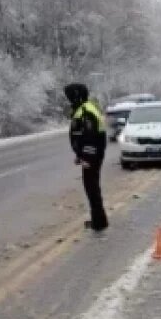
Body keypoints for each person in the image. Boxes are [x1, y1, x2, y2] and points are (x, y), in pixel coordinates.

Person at [64, 83, 109, 231]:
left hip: (92, 155)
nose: (68, 99)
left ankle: (99, 222)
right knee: (92, 187)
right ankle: (98, 219)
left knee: (92, 188)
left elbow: (91, 137)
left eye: (70, 96)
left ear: (77, 96)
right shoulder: (85, 108)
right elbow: (83, 136)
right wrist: (80, 155)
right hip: (92, 154)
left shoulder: (85, 111)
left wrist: (87, 157)